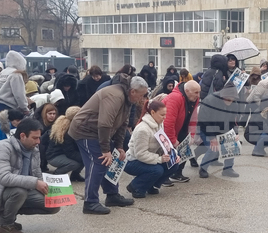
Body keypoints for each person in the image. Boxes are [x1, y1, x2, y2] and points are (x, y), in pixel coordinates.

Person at [69, 74, 147, 214]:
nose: (142, 99)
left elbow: (122, 124)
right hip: (85, 130)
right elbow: (104, 124)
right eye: (141, 95)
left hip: (99, 131)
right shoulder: (115, 96)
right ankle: (90, 202)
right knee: (99, 163)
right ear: (133, 91)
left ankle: (112, 195)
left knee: (111, 161)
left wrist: (119, 147)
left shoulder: (128, 98)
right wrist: (105, 150)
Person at [0, 118, 58, 233]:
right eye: (35, 138)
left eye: (39, 137)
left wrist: (55, 192)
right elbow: (4, 178)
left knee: (53, 204)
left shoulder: (34, 150)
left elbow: (37, 175)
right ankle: (5, 226)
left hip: (22, 189)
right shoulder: (2, 147)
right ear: (22, 136)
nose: (38, 141)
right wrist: (35, 183)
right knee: (19, 192)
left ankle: (9, 215)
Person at [124, 100, 176, 198]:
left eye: (165, 114)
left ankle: (152, 185)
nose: (164, 117)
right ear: (152, 112)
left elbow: (164, 143)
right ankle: (135, 186)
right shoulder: (143, 129)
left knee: (174, 163)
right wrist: (160, 159)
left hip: (149, 157)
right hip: (133, 160)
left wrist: (173, 154)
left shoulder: (160, 124)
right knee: (157, 170)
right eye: (162, 115)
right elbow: (140, 154)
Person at [197, 86, 244, 178]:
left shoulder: (234, 104)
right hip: (206, 129)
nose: (230, 101)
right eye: (228, 99)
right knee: (213, 148)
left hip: (224, 129)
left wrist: (235, 133)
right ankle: (203, 168)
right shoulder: (210, 101)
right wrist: (212, 137)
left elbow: (234, 121)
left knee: (232, 145)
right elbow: (203, 120)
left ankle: (228, 169)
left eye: (232, 100)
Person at [163, 80, 200, 183]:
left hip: (182, 126)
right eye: (196, 92)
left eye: (199, 92)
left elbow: (193, 118)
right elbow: (168, 122)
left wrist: (192, 135)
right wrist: (173, 140)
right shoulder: (175, 98)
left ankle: (177, 173)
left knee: (185, 148)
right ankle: (164, 176)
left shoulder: (194, 98)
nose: (198, 95)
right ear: (187, 91)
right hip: (167, 129)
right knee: (168, 152)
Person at [43, 106, 84, 181]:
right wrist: (84, 157)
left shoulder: (63, 125)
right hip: (54, 156)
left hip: (60, 153)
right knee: (76, 163)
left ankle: (75, 176)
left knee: (83, 158)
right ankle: (56, 174)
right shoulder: (67, 132)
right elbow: (70, 152)